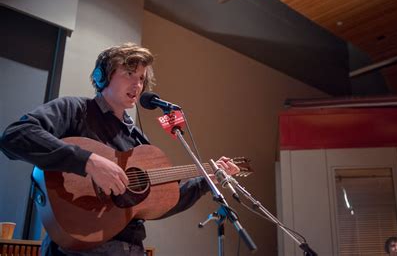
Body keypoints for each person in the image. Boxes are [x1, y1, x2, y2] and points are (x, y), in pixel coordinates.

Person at [0, 43, 239, 256]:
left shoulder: (137, 141)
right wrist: (89, 161)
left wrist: (208, 180)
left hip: (132, 249)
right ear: (103, 76)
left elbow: (163, 200)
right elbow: (15, 135)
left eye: (142, 78)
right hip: (78, 247)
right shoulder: (75, 110)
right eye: (129, 74)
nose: (138, 84)